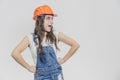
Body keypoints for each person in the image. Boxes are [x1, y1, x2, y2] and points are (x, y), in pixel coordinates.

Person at [11, 5, 80, 80]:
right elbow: (15, 53)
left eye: (52, 18)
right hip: (41, 77)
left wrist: (64, 59)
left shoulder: (55, 35)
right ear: (39, 20)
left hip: (56, 74)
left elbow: (75, 45)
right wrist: (28, 67)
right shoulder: (30, 38)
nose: (51, 21)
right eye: (48, 18)